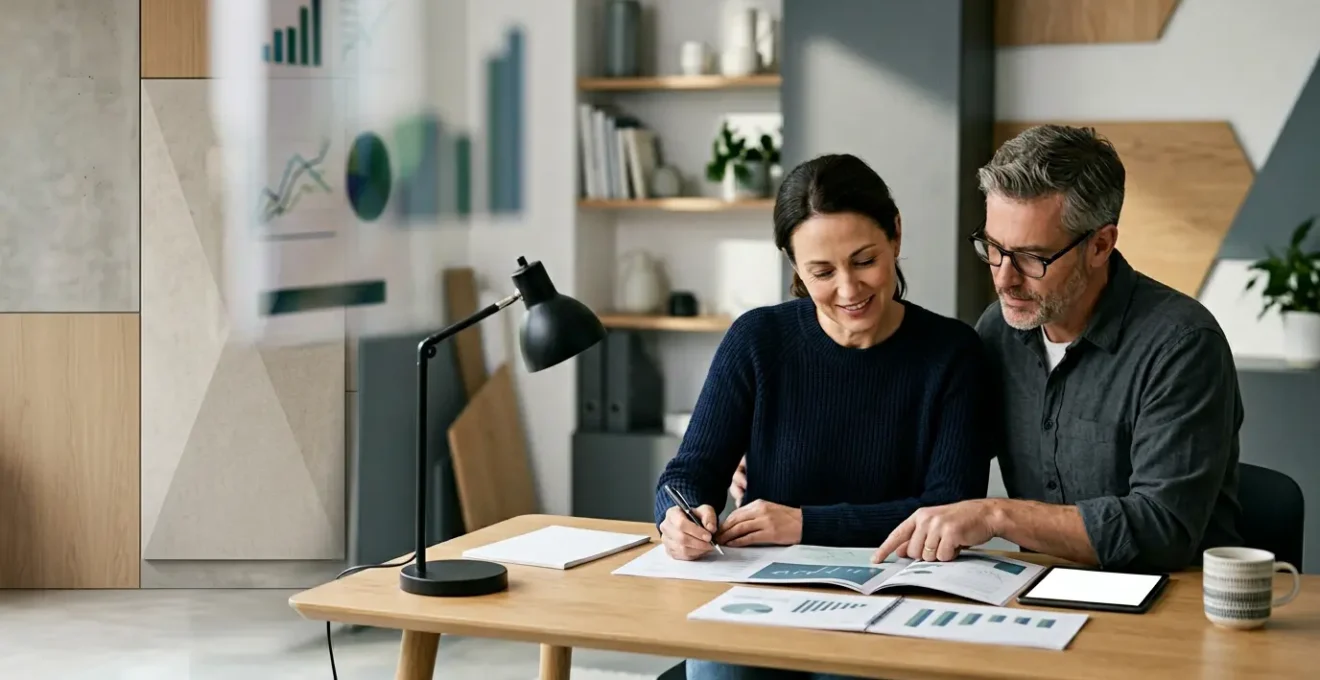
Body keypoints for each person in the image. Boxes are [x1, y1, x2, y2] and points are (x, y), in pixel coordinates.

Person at [654, 153, 994, 680]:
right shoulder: (757, 341)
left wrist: (804, 524)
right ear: (795, 266)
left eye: (864, 261)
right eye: (821, 271)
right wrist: (677, 516)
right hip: (767, 591)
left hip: (895, 595)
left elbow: (948, 509)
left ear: (896, 235)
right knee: (720, 671)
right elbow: (688, 472)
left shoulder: (952, 353)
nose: (848, 289)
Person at [858, 124, 1244, 571]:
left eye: (1032, 257)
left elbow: (1162, 530)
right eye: (994, 248)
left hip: (1168, 608)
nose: (1003, 278)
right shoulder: (997, 333)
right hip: (1038, 598)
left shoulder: (1182, 346)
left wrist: (998, 514)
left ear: (1100, 245)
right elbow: (929, 463)